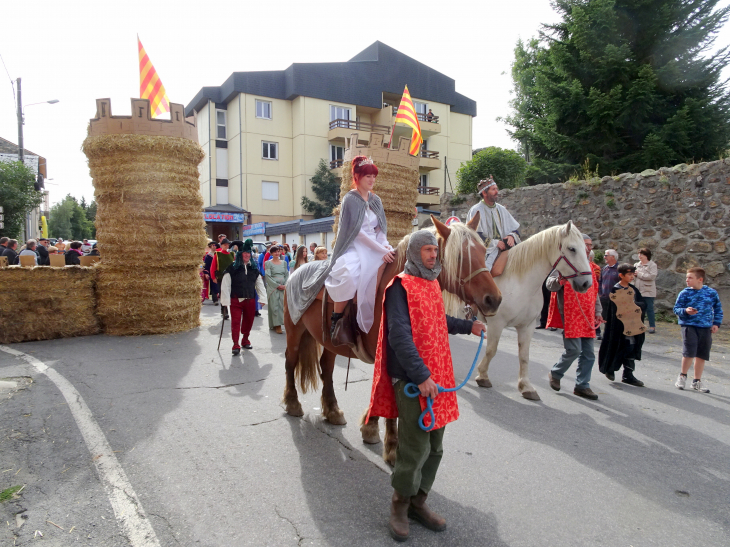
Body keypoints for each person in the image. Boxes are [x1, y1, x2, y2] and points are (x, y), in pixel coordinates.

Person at [366, 230, 486, 541]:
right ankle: (400, 505)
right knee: (414, 447)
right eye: (428, 250)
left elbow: (438, 319)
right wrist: (420, 376)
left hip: (439, 377)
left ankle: (419, 501)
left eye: (435, 250)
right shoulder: (399, 287)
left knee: (435, 447)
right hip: (413, 380)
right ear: (416, 253)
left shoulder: (431, 283)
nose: (433, 255)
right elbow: (399, 336)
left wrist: (467, 326)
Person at [325, 156, 393, 344]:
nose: (371, 180)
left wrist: (385, 245)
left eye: (373, 176)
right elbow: (358, 232)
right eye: (367, 176)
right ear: (357, 177)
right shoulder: (350, 199)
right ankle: (337, 321)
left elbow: (380, 229)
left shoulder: (376, 200)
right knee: (350, 274)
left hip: (376, 245)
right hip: (354, 246)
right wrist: (380, 249)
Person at [546, 234, 603, 400]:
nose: (589, 247)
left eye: (591, 244)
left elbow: (594, 292)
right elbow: (550, 284)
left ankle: (582, 385)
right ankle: (556, 373)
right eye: (586, 244)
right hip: (570, 314)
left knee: (589, 354)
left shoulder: (590, 267)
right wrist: (560, 280)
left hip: (587, 314)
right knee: (574, 350)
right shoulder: (565, 264)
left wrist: (598, 312)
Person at [673, 267, 723, 393]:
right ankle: (682, 376)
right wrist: (685, 311)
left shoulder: (711, 293)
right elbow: (676, 309)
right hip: (689, 326)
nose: (687, 280)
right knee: (689, 352)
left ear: (700, 279)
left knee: (702, 354)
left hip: (705, 327)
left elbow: (718, 309)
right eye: (686, 278)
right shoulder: (685, 293)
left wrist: (716, 323)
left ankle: (696, 381)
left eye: (690, 278)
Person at [598, 263, 647, 387]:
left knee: (631, 347)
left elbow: (641, 303)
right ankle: (610, 368)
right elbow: (615, 310)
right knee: (619, 347)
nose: (632, 276)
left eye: (632, 274)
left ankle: (628, 375)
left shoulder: (633, 289)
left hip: (632, 325)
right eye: (629, 274)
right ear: (621, 275)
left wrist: (637, 306)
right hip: (620, 327)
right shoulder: (616, 290)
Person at [465, 175, 520, 277]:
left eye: (496, 189)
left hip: (505, 248)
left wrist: (512, 236)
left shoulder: (501, 209)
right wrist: (494, 243)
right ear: (484, 193)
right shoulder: (475, 210)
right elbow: (472, 235)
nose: (497, 192)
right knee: (482, 273)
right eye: (493, 189)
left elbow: (514, 228)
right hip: (486, 252)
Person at [220, 240, 266, 355]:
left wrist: (263, 298)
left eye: (248, 253)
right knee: (235, 322)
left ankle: (245, 340)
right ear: (240, 254)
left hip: (250, 299)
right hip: (236, 299)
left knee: (249, 321)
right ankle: (235, 344)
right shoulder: (232, 269)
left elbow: (259, 284)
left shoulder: (253, 269)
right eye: (244, 253)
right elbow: (225, 285)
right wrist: (225, 300)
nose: (247, 255)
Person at [264, 245, 289, 334]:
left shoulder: (284, 262)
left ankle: (282, 323)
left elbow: (286, 274)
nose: (277, 253)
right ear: (271, 253)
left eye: (278, 251)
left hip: (283, 286)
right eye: (275, 251)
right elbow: (268, 276)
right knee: (274, 306)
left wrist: (285, 284)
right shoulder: (268, 263)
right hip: (273, 287)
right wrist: (277, 285)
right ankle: (276, 325)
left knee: (283, 306)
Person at [597, 249, 619, 340]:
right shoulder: (605, 268)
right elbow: (600, 281)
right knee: (604, 317)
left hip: (614, 298)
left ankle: (610, 336)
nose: (604, 257)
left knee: (612, 318)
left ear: (612, 257)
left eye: (606, 255)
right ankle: (603, 334)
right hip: (604, 297)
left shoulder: (619, 269)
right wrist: (600, 293)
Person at [634, 248, 657, 334]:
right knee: (637, 309)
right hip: (638, 290)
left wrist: (639, 274)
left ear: (646, 255)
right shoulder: (636, 265)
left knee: (649, 309)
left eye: (641, 254)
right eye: (639, 254)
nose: (639, 256)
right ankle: (639, 325)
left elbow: (652, 276)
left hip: (648, 291)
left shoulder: (652, 265)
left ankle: (652, 326)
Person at [211, 239, 233, 319]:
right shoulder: (217, 254)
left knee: (231, 295)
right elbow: (213, 267)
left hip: (231, 277)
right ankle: (224, 312)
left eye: (227, 245)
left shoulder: (231, 254)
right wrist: (213, 277)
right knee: (223, 295)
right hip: (221, 277)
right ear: (221, 245)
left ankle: (232, 311)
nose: (226, 246)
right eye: (225, 245)